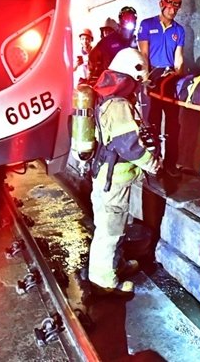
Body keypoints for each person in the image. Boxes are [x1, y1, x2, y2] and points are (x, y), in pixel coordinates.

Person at [86, 48, 162, 296]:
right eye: (137, 82)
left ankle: (116, 265)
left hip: (106, 176)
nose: (137, 88)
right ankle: (104, 282)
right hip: (113, 180)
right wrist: (151, 163)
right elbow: (128, 145)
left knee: (114, 226)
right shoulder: (118, 105)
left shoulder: (105, 98)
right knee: (110, 231)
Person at [138, 0, 186, 177]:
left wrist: (178, 75)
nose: (173, 11)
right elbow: (143, 54)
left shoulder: (179, 30)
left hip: (170, 80)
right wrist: (145, 79)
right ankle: (152, 163)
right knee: (152, 124)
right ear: (162, 4)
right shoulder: (147, 25)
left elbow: (179, 58)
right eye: (170, 7)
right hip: (153, 79)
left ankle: (170, 164)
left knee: (173, 125)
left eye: (176, 8)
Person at [88, 7, 138, 83]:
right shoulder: (109, 40)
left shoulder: (135, 40)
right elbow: (93, 55)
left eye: (131, 18)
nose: (129, 21)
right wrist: (94, 73)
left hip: (130, 78)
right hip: (111, 80)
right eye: (126, 18)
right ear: (120, 20)